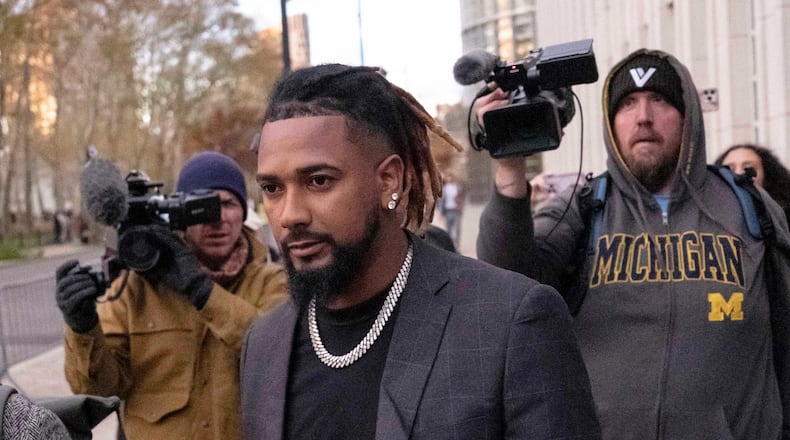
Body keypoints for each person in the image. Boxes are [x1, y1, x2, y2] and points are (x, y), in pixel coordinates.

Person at [240, 64, 600, 439]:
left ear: (388, 180)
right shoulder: (264, 345)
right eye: (272, 188)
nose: (290, 215)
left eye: (318, 181)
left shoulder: (510, 322)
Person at [476, 48, 790, 438]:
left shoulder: (748, 206)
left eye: (659, 100)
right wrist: (509, 166)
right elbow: (506, 283)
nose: (643, 116)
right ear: (610, 124)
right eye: (628, 103)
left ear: (687, 116)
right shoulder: (583, 207)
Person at [55, 151, 288, 440]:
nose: (218, 219)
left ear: (244, 212)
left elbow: (276, 352)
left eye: (228, 204)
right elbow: (97, 389)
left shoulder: (271, 282)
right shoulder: (135, 288)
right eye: (203, 206)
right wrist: (82, 328)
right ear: (179, 213)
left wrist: (200, 289)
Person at [715, 143, 790, 223]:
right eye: (729, 169)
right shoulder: (710, 216)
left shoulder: (784, 217)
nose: (739, 173)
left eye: (748, 169)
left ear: (767, 175)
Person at [439, 172, 464, 247]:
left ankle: (457, 246)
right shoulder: (444, 189)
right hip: (448, 211)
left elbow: (461, 198)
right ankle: (450, 246)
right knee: (448, 229)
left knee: (457, 229)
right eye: (448, 177)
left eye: (450, 177)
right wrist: (441, 212)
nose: (449, 179)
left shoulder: (457, 187)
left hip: (456, 210)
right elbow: (441, 201)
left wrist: (461, 208)